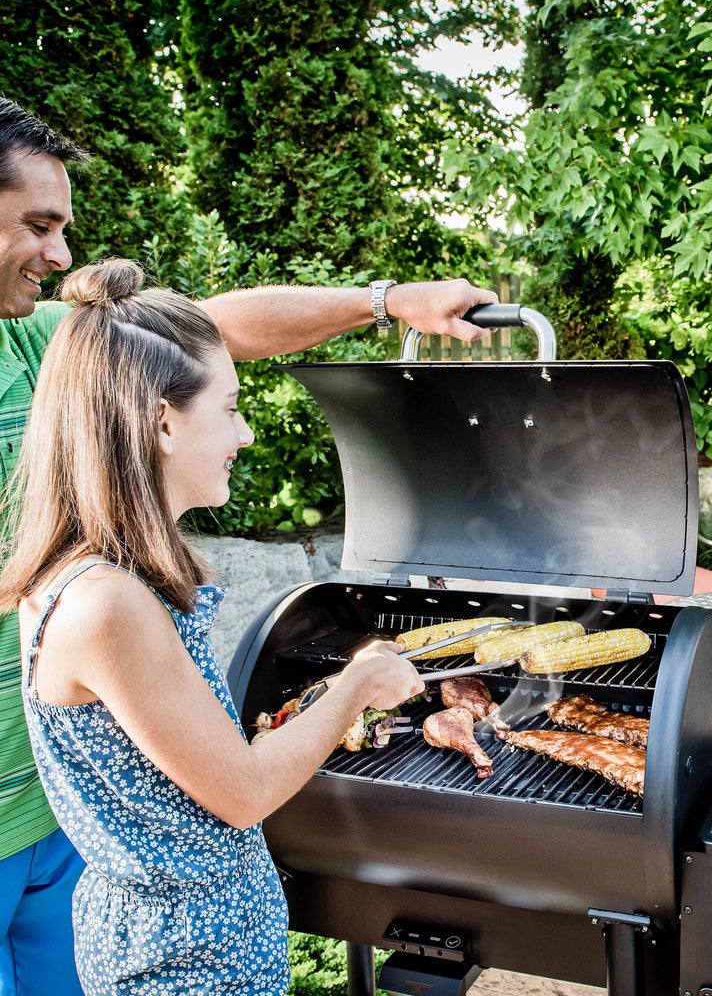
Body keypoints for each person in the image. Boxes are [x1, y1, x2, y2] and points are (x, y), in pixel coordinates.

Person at [0, 95, 495, 996]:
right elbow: (240, 790)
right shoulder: (104, 595)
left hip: (80, 847)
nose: (61, 253)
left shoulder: (63, 358)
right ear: (156, 424)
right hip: (178, 952)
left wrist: (387, 302)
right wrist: (354, 686)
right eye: (39, 223)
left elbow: (196, 330)